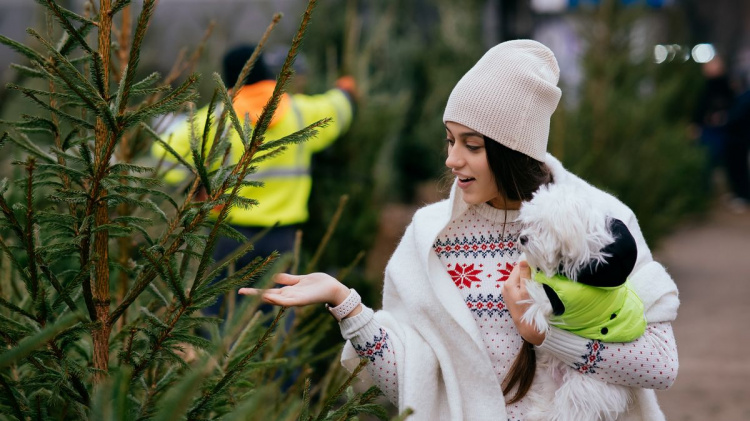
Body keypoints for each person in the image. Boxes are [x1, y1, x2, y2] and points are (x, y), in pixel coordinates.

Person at [240, 40, 679, 420]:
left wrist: (544, 335)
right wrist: (346, 304)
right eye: (450, 140)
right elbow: (412, 389)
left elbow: (660, 365)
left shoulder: (598, 223)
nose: (452, 160)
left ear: (514, 150)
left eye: (472, 145)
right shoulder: (431, 237)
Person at [153, 45, 356, 317]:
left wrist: (195, 184)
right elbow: (338, 111)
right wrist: (345, 91)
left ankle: (217, 361)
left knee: (217, 315)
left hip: (225, 234)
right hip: (283, 236)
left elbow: (163, 157)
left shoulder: (214, 119)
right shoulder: (299, 112)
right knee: (276, 318)